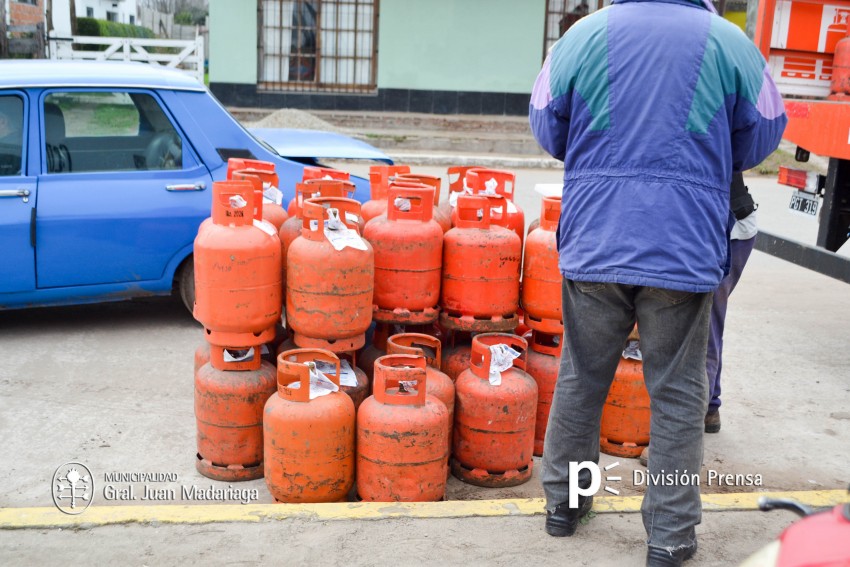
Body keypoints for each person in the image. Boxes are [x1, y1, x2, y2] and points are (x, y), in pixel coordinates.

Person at [528, 1, 786, 565]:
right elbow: (766, 129)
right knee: (677, 392)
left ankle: (565, 508)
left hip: (596, 238)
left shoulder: (581, 36)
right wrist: (708, 156)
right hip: (684, 243)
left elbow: (547, 122)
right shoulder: (730, 42)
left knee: (582, 378)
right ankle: (669, 538)